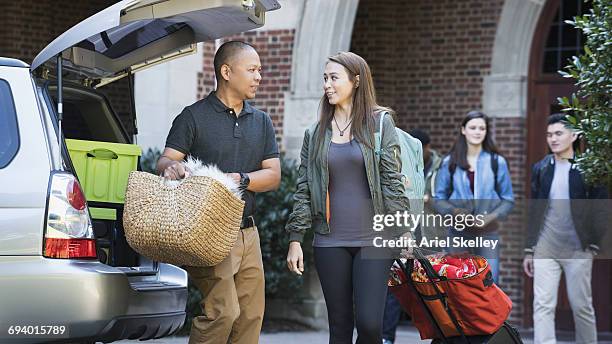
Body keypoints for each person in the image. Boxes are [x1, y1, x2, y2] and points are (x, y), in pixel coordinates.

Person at [157, 41, 281, 344]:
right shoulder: (193, 116)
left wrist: (239, 178)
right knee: (223, 311)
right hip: (209, 232)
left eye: (260, 71)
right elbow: (166, 159)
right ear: (226, 72)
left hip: (248, 232)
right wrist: (171, 169)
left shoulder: (261, 121)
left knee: (250, 316)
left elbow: (273, 175)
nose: (259, 77)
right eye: (252, 70)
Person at [284, 51, 410, 344]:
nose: (327, 84)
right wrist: (295, 238)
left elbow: (392, 181)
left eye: (333, 78)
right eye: (325, 78)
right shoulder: (314, 134)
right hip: (330, 241)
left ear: (355, 81)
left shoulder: (380, 125)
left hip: (374, 239)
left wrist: (403, 228)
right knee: (339, 329)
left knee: (369, 325)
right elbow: (304, 188)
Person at [523, 113, 607, 344]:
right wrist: (530, 249)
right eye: (549, 134)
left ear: (574, 135)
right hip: (546, 247)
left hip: (578, 247)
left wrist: (594, 242)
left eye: (559, 133)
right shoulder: (541, 168)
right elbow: (534, 211)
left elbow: (601, 208)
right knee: (542, 305)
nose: (553, 139)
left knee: (582, 306)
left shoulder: (587, 168)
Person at [432, 111, 514, 283]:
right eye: (473, 127)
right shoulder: (450, 162)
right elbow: (438, 199)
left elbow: (508, 200)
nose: (477, 132)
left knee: (489, 282)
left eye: (482, 128)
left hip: (488, 233)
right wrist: (455, 212)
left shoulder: (496, 162)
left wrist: (490, 216)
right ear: (463, 130)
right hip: (458, 233)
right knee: (458, 283)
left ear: (486, 132)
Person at [381, 128, 442, 344]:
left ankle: (441, 334)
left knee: (431, 285)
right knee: (395, 284)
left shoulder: (439, 167)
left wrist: (431, 200)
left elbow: (444, 198)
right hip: (403, 229)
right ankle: (387, 337)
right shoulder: (400, 161)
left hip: (430, 233)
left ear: (426, 148)